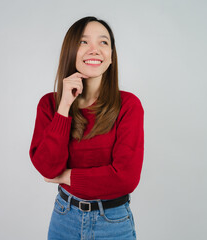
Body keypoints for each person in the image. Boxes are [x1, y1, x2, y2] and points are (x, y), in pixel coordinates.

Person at [29, 16, 144, 240]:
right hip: (64, 219)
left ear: (111, 57)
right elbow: (46, 167)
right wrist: (64, 106)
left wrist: (65, 176)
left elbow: (125, 178)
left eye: (103, 42)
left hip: (113, 223)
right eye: (84, 42)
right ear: (70, 51)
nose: (95, 50)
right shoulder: (49, 105)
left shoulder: (128, 106)